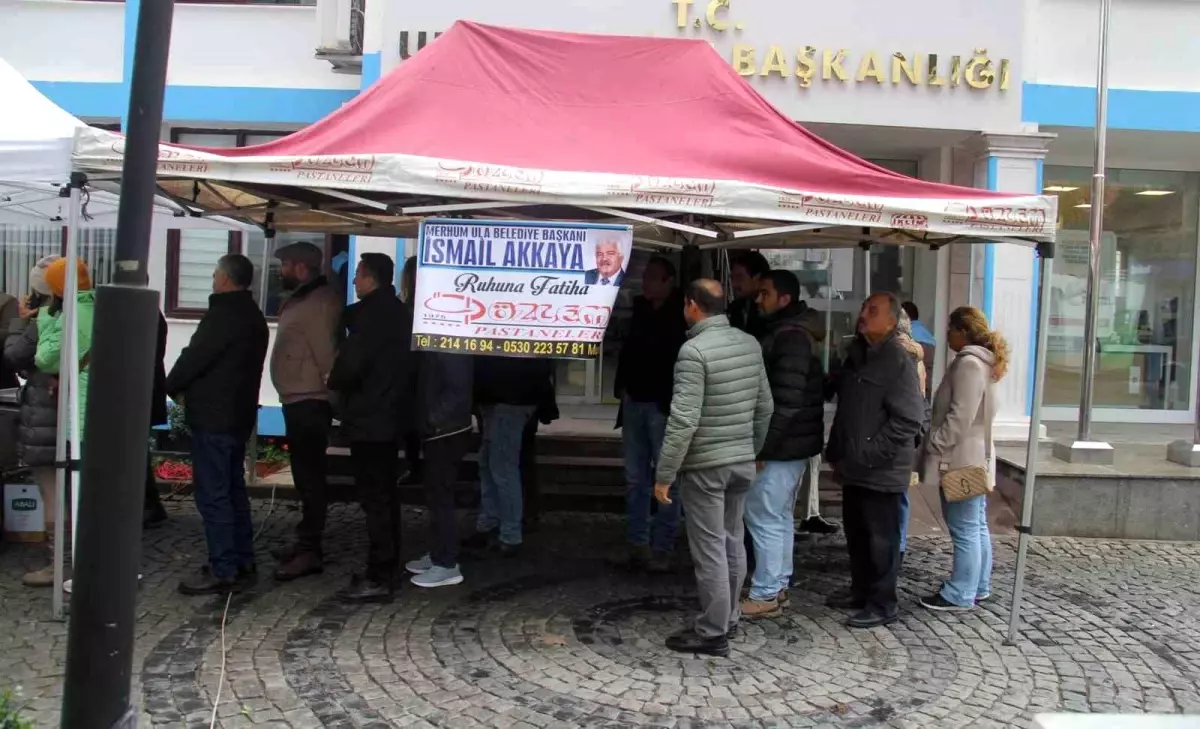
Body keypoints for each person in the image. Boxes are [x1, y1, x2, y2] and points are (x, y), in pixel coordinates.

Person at [653, 279, 773, 657]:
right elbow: (765, 406)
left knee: (709, 549)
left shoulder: (694, 351)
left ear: (691, 305)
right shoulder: (749, 343)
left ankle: (712, 631)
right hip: (740, 461)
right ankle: (731, 617)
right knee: (732, 540)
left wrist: (664, 474)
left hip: (706, 465)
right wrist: (752, 449)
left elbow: (683, 420)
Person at [167, 254, 269, 595]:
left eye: (214, 275)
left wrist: (169, 386)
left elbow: (194, 358)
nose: (212, 280)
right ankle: (242, 559)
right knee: (233, 489)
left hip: (214, 416)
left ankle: (224, 566)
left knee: (214, 494)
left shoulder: (223, 315)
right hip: (238, 415)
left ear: (225, 279)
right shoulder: (252, 315)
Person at [824, 292, 926, 629]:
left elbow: (909, 420)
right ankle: (861, 590)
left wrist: (870, 452)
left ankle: (883, 603)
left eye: (872, 310)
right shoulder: (857, 355)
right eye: (864, 308)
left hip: (881, 470)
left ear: (893, 321)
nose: (863, 314)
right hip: (853, 466)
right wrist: (840, 451)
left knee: (881, 540)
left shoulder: (898, 360)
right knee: (856, 535)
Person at [741, 270, 825, 619]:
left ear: (785, 299)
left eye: (765, 293)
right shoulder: (790, 332)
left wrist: (764, 447)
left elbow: (785, 401)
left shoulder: (790, 337)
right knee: (775, 517)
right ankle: (775, 587)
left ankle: (766, 593)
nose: (758, 299)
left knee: (763, 516)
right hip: (791, 443)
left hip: (783, 446)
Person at [328, 253, 412, 602]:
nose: (353, 281)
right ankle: (388, 567)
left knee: (375, 498)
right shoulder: (398, 312)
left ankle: (379, 574)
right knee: (386, 497)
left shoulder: (371, 318)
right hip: (390, 416)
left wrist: (332, 377)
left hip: (371, 417)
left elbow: (351, 366)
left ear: (372, 278)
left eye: (358, 274)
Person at [918, 306, 1008, 612]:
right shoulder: (985, 363)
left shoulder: (969, 364)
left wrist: (935, 443)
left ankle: (961, 591)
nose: (946, 335)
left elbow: (961, 415)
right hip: (973, 456)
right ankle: (977, 585)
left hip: (961, 458)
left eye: (950, 329)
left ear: (962, 330)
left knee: (965, 527)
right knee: (975, 524)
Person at [270, 242, 342, 582]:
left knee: (310, 477)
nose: (279, 270)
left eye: (284, 264)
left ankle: (310, 549)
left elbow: (326, 355)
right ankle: (304, 542)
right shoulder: (304, 297)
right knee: (304, 475)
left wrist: (333, 397)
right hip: (298, 397)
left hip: (310, 400)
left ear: (301, 268)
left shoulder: (318, 301)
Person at [611, 256, 687, 572]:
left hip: (662, 404)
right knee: (635, 478)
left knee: (666, 479)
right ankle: (638, 543)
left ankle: (663, 546)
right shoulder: (641, 308)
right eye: (645, 276)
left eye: (653, 277)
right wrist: (622, 387)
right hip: (635, 401)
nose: (646, 282)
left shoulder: (681, 313)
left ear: (669, 281)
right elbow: (629, 350)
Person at [5, 255, 62, 587]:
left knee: (52, 491)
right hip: (64, 411)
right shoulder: (87, 310)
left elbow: (15, 355)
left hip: (46, 413)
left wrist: (21, 322)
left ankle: (59, 566)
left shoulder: (45, 318)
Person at [467, 356, 554, 557]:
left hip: (508, 395)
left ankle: (508, 532)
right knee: (491, 464)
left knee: (501, 467)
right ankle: (495, 524)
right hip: (502, 395)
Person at [405, 343, 473, 589]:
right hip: (440, 431)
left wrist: (431, 420)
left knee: (441, 496)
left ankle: (446, 563)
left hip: (446, 432)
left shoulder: (452, 346)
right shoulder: (438, 343)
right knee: (435, 496)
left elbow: (458, 391)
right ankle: (438, 554)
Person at [894, 309, 929, 566]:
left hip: (899, 432)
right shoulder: (917, 353)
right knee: (902, 492)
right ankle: (900, 543)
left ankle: (896, 545)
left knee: (895, 493)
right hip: (912, 432)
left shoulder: (899, 353)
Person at [143, 307, 170, 529]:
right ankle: (149, 505)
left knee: (136, 453)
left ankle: (149, 506)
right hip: (145, 392)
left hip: (141, 393)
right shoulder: (151, 312)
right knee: (138, 452)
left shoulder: (144, 311)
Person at [728, 251, 770, 339]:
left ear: (758, 278)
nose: (733, 284)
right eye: (732, 277)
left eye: (740, 277)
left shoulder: (770, 311)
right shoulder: (736, 308)